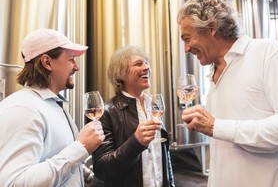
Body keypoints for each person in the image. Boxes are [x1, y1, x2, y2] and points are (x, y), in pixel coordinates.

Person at [177, 0, 278, 187]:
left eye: (187, 39)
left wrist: (216, 126)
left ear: (211, 28)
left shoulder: (268, 54)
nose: (186, 49)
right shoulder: (213, 73)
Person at [0, 28, 105, 186]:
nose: (76, 67)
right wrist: (80, 147)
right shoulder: (22, 109)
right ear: (47, 62)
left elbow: (65, 167)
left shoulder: (53, 104)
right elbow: (14, 183)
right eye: (71, 59)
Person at [92, 45, 175, 187]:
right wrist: (136, 143)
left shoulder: (154, 107)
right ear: (121, 73)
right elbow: (102, 169)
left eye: (147, 63)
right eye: (138, 63)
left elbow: (164, 159)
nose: (147, 67)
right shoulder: (107, 112)